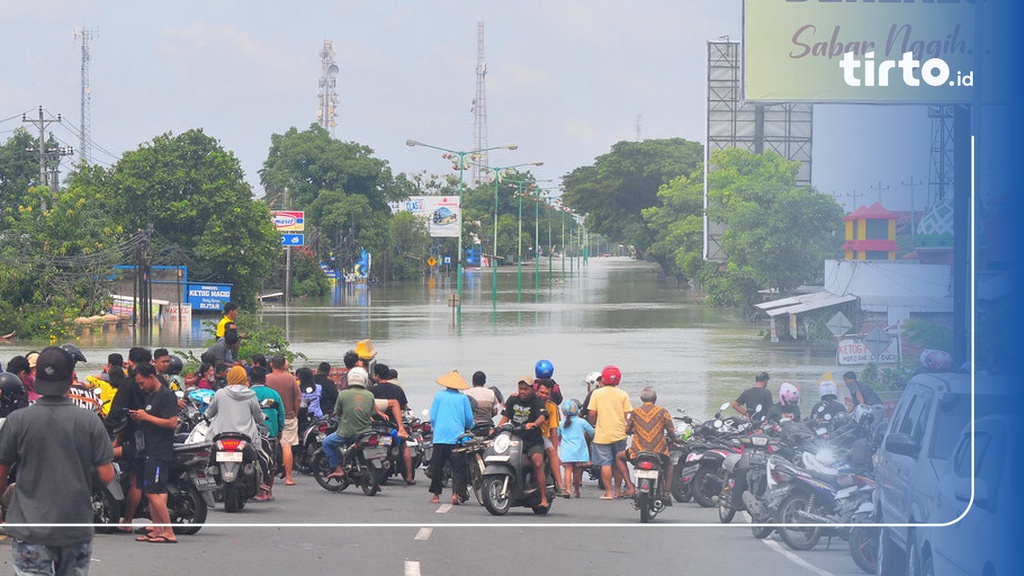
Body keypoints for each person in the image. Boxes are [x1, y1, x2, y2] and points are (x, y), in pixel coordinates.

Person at [0, 346, 115, 574]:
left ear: (36, 376)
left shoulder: (18, 420)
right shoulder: (89, 421)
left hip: (30, 528)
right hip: (75, 526)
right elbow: (107, 475)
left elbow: (1, 472)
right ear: (72, 376)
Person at [127, 362, 179, 544]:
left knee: (152, 491)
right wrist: (140, 417)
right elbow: (152, 420)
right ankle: (157, 530)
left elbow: (172, 422)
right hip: (147, 448)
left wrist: (147, 417)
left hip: (159, 450)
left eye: (142, 383)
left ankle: (169, 531)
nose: (141, 387)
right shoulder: (150, 396)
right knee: (155, 490)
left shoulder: (166, 395)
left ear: (151, 377)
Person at [208, 365, 274, 502]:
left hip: (220, 435)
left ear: (229, 377)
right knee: (264, 455)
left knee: (207, 457)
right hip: (245, 437)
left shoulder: (220, 393)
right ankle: (263, 485)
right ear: (245, 378)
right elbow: (258, 417)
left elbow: (210, 413)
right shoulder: (250, 395)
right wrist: (263, 417)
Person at [497, 375, 550, 509]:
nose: (523, 392)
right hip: (515, 440)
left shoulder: (537, 400)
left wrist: (534, 423)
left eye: (526, 389)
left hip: (532, 441)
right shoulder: (512, 399)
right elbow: (504, 418)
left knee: (537, 463)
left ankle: (544, 498)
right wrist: (496, 430)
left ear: (532, 389)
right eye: (521, 389)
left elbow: (542, 416)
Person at [617, 386, 677, 501]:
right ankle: (667, 492)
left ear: (641, 398)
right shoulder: (663, 411)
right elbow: (671, 431)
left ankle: (630, 486)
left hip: (637, 452)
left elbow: (627, 430)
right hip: (659, 452)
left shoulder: (635, 412)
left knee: (619, 457)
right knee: (669, 462)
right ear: (655, 398)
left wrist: (633, 430)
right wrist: (676, 440)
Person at [322, 367, 382, 480]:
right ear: (364, 380)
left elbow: (338, 412)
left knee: (326, 443)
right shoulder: (370, 395)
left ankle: (338, 469)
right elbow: (370, 412)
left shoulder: (343, 394)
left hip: (347, 432)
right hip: (366, 432)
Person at [587, 365, 634, 500]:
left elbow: (591, 413)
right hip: (620, 433)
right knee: (618, 462)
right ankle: (618, 491)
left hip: (602, 434)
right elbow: (628, 415)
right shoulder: (623, 394)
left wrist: (593, 425)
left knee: (606, 463)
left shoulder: (597, 393)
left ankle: (608, 493)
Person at [427, 370, 474, 505]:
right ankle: (455, 494)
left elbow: (433, 417)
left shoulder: (439, 396)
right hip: (457, 437)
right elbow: (468, 419)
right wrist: (469, 425)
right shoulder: (463, 398)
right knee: (458, 468)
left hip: (440, 436)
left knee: (438, 466)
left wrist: (436, 429)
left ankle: (436, 496)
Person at [370, 363, 413, 484]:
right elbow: (404, 406)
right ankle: (409, 476)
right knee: (404, 447)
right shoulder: (397, 389)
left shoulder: (371, 391)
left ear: (376, 375)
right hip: (394, 427)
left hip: (376, 427)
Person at [265, 354, 301, 486]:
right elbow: (298, 399)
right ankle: (289, 478)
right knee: (287, 446)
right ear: (284, 364)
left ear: (271, 365)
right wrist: (295, 413)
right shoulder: (291, 379)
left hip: (270, 417)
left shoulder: (267, 379)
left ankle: (267, 477)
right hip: (288, 416)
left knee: (267, 445)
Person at [536, 378, 570, 498]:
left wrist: (555, 451)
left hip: (542, 437)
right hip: (526, 435)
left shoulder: (552, 407)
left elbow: (554, 432)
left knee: (551, 451)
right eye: (541, 392)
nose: (543, 395)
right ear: (536, 391)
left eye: (546, 393)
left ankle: (560, 486)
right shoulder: (530, 401)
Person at [557, 398, 593, 498]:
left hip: (567, 451)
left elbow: (557, 435)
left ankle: (568, 490)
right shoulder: (581, 422)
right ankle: (576, 491)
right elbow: (591, 432)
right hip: (579, 451)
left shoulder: (561, 423)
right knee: (577, 471)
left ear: (564, 412)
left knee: (567, 470)